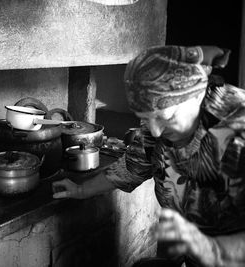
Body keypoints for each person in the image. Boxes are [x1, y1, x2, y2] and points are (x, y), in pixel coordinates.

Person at [52, 45, 245, 267]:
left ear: (197, 95)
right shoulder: (156, 127)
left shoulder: (237, 133)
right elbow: (132, 168)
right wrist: (81, 190)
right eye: (145, 118)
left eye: (166, 117)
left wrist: (206, 248)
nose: (154, 131)